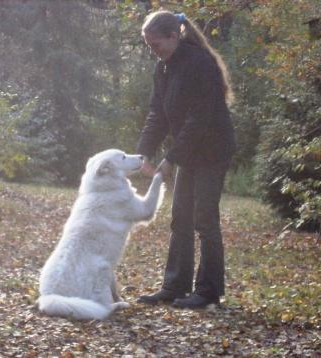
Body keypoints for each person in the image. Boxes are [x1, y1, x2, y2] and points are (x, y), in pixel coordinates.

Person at [136, 10, 236, 309]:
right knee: (180, 217)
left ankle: (208, 292)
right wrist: (144, 151)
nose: (152, 51)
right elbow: (158, 113)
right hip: (190, 150)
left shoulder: (199, 63)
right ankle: (174, 286)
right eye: (148, 45)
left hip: (213, 148)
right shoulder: (163, 68)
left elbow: (199, 119)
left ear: (173, 36)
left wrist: (169, 159)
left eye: (156, 44)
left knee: (204, 219)